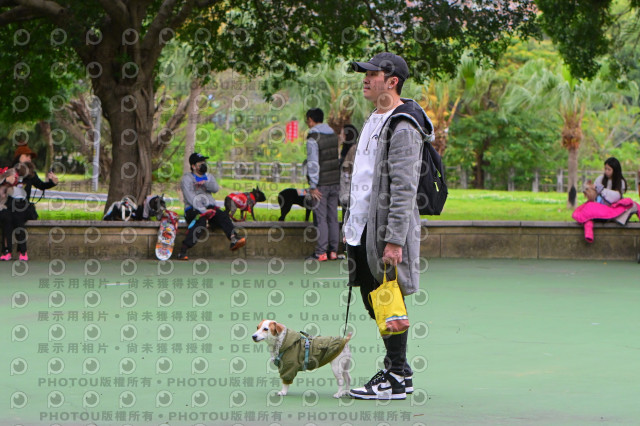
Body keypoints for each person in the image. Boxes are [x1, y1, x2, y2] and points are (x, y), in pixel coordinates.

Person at [344, 52, 433, 400]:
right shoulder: (374, 118)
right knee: (374, 299)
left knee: (387, 297)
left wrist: (395, 239)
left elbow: (404, 187)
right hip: (362, 225)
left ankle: (395, 375)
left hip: (382, 229)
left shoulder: (403, 125)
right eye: (364, 73)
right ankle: (400, 372)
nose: (365, 79)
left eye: (372, 74)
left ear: (392, 81)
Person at [176, 152, 246, 260]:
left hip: (210, 207)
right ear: (193, 166)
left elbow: (215, 189)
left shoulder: (208, 177)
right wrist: (204, 211)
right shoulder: (187, 178)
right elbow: (190, 198)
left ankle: (233, 239)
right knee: (201, 221)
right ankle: (183, 250)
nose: (203, 165)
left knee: (222, 215)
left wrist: (205, 182)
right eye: (200, 163)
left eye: (204, 162)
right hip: (193, 209)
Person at [1, 145, 58, 261]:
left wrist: (53, 182)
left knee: (18, 217)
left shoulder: (31, 173)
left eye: (30, 157)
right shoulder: (9, 171)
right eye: (27, 156)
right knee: (5, 217)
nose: (29, 159)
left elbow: (41, 185)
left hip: (23, 206)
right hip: (8, 205)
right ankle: (6, 251)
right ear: (19, 156)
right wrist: (5, 180)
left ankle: (23, 252)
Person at [305, 108, 340, 261]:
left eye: (307, 120)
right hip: (335, 182)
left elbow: (313, 163)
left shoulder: (313, 138)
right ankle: (333, 251)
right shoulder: (333, 135)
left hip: (321, 184)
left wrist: (313, 185)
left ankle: (321, 252)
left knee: (321, 219)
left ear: (311, 119)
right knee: (333, 217)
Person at [338, 124, 359, 215]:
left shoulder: (353, 149)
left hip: (350, 189)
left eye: (342, 133)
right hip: (345, 189)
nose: (340, 136)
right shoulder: (345, 149)